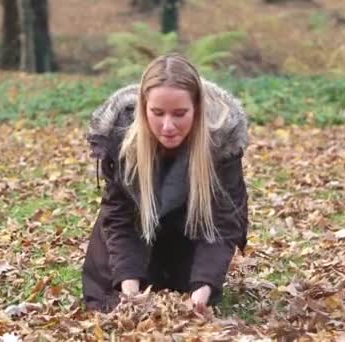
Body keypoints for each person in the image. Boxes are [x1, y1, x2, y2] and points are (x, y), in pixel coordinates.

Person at [82, 53, 249, 313]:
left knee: (195, 293)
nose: (168, 126)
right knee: (107, 297)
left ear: (197, 109)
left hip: (188, 233)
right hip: (139, 232)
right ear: (143, 107)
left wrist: (203, 289)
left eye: (180, 113)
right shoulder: (120, 136)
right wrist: (129, 288)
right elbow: (119, 217)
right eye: (157, 113)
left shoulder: (221, 143)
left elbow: (224, 223)